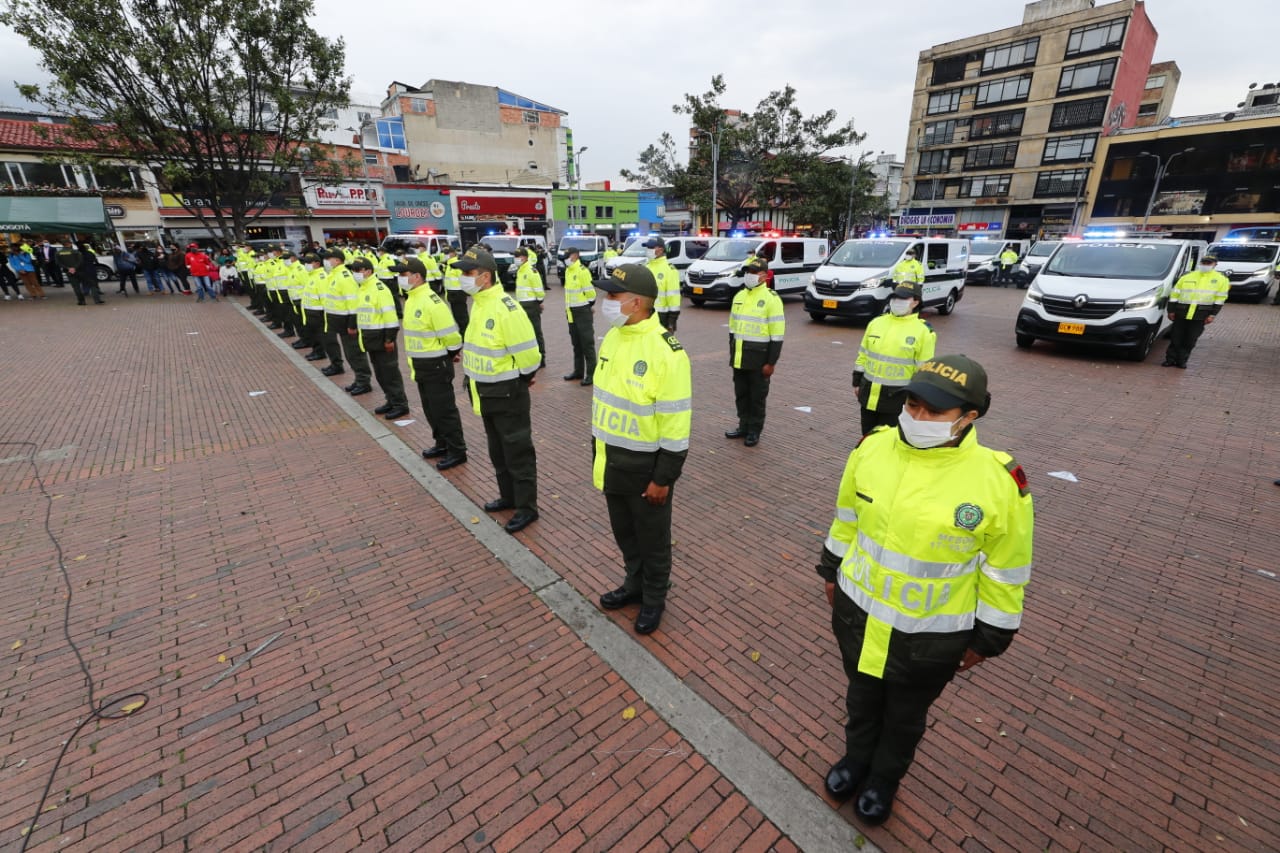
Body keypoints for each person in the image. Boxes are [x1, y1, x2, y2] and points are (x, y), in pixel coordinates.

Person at [817, 354, 1033, 826]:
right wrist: (832, 571)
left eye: (933, 412)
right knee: (861, 700)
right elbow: (847, 519)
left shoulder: (999, 483)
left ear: (969, 417)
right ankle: (856, 762)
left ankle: (883, 780)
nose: (917, 418)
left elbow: (1005, 571)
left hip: (928, 639)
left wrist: (988, 639)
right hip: (859, 617)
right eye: (912, 405)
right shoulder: (871, 449)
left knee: (904, 717)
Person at [593, 264, 692, 635]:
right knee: (625, 534)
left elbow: (676, 424)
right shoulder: (616, 337)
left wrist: (664, 477)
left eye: (613, 296)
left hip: (645, 469)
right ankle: (634, 585)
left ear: (636, 303)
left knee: (652, 540)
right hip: (611, 461)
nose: (606, 302)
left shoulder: (666, 352)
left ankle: (654, 598)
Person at [457, 247, 541, 534]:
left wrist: (522, 379)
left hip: (507, 394)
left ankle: (527, 508)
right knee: (498, 452)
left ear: (485, 276)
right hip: (484, 393)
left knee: (517, 453)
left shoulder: (506, 308)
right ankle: (509, 497)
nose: (462, 278)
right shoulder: (480, 303)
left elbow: (530, 356)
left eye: (467, 273)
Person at [393, 256, 467, 470]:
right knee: (430, 409)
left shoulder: (432, 301)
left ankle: (457, 450)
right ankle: (441, 443)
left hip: (435, 364)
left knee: (444, 410)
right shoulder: (411, 298)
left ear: (417, 277)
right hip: (421, 364)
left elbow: (452, 337)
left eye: (403, 275)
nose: (400, 278)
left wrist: (450, 354)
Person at [853, 284, 937, 436]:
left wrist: (916, 399)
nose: (898, 301)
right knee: (867, 437)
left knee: (889, 441)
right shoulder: (876, 323)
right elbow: (863, 355)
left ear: (916, 302)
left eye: (904, 298)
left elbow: (924, 370)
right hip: (868, 394)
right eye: (895, 297)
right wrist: (857, 382)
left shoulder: (924, 332)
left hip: (896, 400)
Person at [725, 260, 784, 447]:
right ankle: (743, 426)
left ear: (764, 275)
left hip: (759, 360)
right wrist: (732, 354)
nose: (749, 275)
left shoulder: (771, 299)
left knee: (756, 398)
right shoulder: (739, 296)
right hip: (740, 357)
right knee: (741, 395)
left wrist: (771, 363)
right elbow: (733, 329)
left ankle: (754, 431)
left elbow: (777, 334)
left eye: (753, 272)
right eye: (748, 271)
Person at [350, 257, 409, 420]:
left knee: (390, 374)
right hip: (370, 339)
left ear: (368, 271)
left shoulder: (379, 289)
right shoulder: (362, 289)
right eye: (353, 270)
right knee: (380, 374)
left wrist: (389, 339)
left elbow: (390, 318)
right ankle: (390, 400)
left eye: (358, 270)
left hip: (383, 340)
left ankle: (400, 404)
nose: (355, 273)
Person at [1163, 254, 1229, 368]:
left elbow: (1220, 299)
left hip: (1200, 315)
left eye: (1209, 263)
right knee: (1175, 337)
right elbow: (1175, 294)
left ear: (1215, 265)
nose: (1205, 265)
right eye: (1204, 263)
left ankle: (1181, 361)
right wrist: (1171, 310)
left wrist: (1213, 315)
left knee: (1190, 339)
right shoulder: (1187, 277)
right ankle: (1170, 359)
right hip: (1181, 312)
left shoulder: (1221, 280)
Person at [321, 249, 371, 393]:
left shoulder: (345, 277)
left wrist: (352, 324)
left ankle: (364, 381)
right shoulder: (334, 275)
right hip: (340, 323)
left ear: (337, 260)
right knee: (350, 354)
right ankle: (358, 379)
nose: (326, 261)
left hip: (348, 324)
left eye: (328, 258)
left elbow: (353, 303)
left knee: (355, 354)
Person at [561, 247, 597, 385]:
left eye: (567, 256)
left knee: (587, 344)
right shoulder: (568, 271)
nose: (565, 259)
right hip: (571, 312)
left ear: (575, 256)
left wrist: (587, 308)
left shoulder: (582, 271)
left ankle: (591, 374)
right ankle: (578, 371)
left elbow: (591, 295)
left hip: (582, 311)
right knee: (576, 344)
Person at [513, 246, 546, 367]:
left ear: (525, 257)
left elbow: (539, 290)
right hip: (521, 305)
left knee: (536, 333)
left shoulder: (531, 271)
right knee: (524, 332)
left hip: (532, 305)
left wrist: (539, 302)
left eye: (518, 256)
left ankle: (541, 358)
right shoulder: (520, 270)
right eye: (515, 256)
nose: (516, 259)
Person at [645, 237, 681, 332]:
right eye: (647, 247)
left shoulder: (669, 270)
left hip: (661, 317)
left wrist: (672, 321)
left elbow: (674, 297)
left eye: (651, 247)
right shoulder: (646, 267)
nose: (648, 250)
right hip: (645, 315)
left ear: (660, 250)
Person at [442, 246, 469, 335]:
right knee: (457, 317)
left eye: (447, 253)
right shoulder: (448, 265)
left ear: (453, 253)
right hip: (452, 295)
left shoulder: (458, 265)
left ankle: (466, 334)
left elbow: (465, 280)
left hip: (459, 294)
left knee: (462, 318)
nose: (446, 255)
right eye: (445, 253)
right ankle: (463, 333)